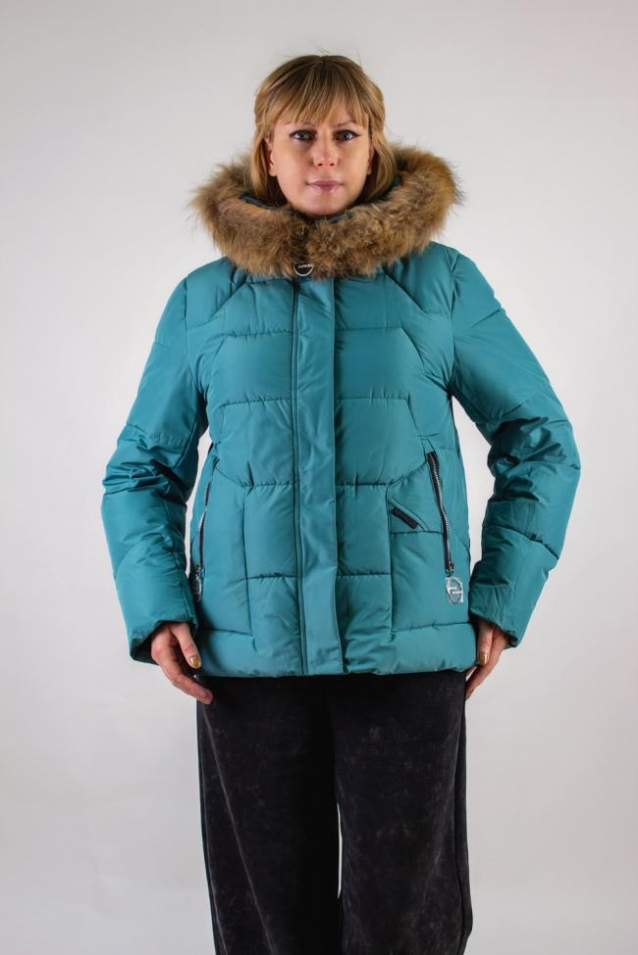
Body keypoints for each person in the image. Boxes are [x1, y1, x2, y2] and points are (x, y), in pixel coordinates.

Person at [100, 54, 581, 955]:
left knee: (406, 926)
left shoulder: (439, 284)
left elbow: (541, 438)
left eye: (345, 134)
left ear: (373, 148)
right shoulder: (206, 299)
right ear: (267, 153)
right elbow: (141, 468)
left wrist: (499, 597)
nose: (324, 154)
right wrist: (157, 606)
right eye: (302, 135)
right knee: (268, 927)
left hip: (407, 648)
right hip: (244, 653)